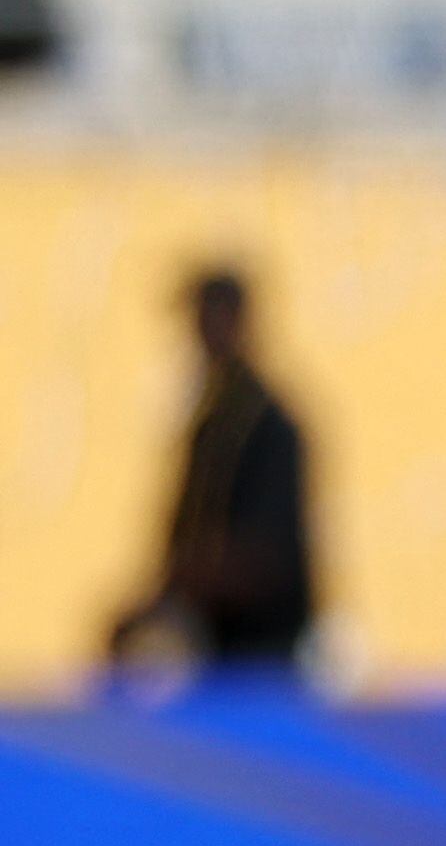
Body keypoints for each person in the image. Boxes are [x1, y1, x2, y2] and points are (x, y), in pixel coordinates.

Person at [106, 267, 317, 676]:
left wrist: (188, 580)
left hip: (258, 648)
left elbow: (266, 557)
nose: (199, 333)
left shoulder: (265, 424)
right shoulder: (216, 419)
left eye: (209, 317)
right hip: (219, 641)